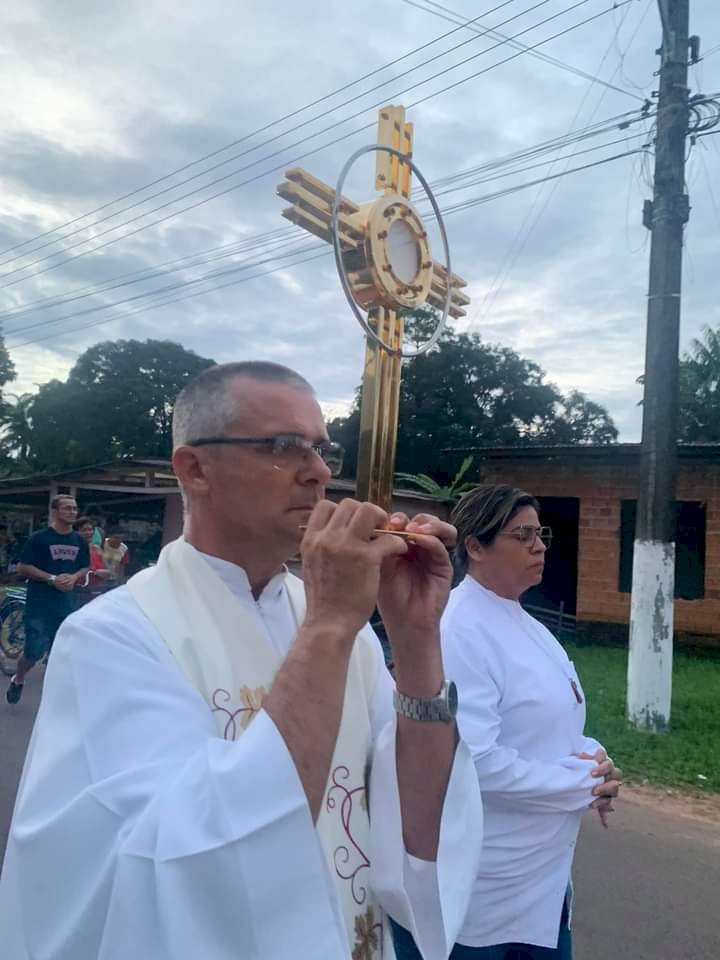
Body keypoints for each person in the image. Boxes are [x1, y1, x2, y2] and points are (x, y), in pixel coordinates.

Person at [0, 361, 483, 960]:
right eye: (283, 447)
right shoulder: (113, 636)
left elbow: (413, 828)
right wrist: (331, 623)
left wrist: (415, 643)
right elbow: (178, 865)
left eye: (321, 449)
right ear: (195, 468)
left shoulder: (347, 633)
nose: (318, 474)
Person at [391, 484, 622, 960]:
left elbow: (556, 725)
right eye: (521, 536)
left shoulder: (530, 626)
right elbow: (473, 761)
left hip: (541, 879)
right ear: (475, 547)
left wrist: (597, 762)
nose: (538, 546)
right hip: (483, 888)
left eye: (540, 534)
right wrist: (580, 782)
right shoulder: (459, 628)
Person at [5, 496, 90, 705]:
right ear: (55, 512)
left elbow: (84, 566)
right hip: (39, 601)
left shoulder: (79, 541)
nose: (72, 512)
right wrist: (51, 578)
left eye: (74, 508)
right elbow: (23, 567)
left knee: (61, 649)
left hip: (65, 602)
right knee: (34, 649)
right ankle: (19, 678)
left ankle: (55, 697)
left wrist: (74, 577)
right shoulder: (39, 538)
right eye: (67, 508)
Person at [73, 516, 112, 604]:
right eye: (84, 530)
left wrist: (99, 572)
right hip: (78, 592)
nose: (88, 532)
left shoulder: (97, 549)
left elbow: (109, 571)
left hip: (97, 591)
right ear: (76, 532)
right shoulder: (73, 549)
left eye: (90, 530)